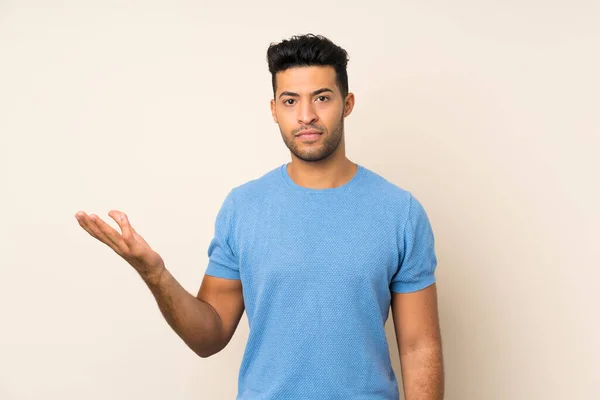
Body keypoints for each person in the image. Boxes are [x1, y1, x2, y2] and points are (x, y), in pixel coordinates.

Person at [74, 33, 444, 400]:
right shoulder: (243, 208)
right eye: (290, 101)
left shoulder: (399, 212)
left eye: (322, 98)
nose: (306, 116)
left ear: (347, 104)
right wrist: (155, 275)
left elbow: (418, 347)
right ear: (273, 110)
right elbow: (209, 336)